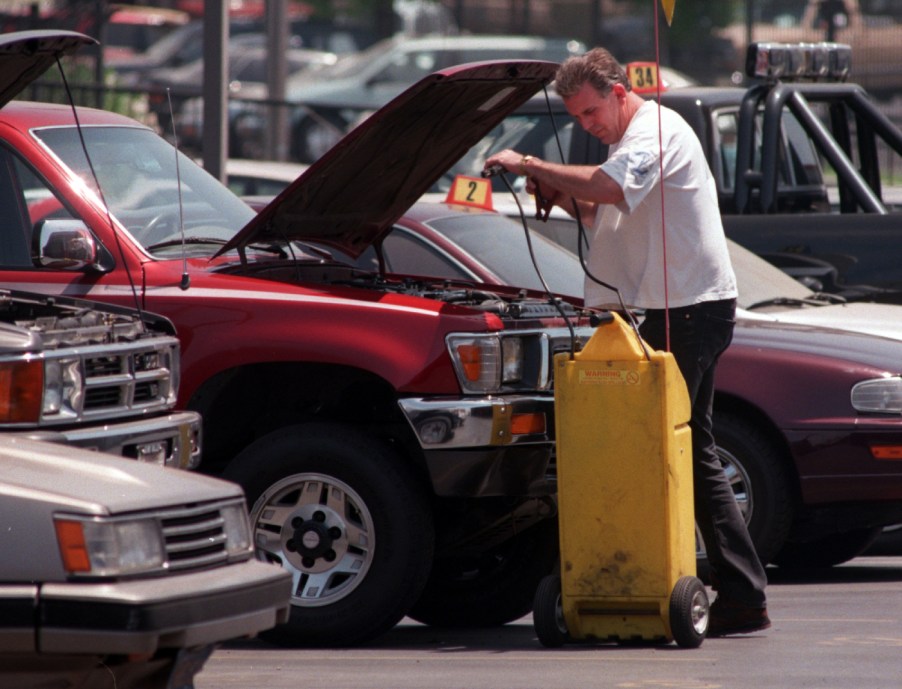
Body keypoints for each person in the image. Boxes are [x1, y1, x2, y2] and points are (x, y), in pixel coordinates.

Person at [484, 47, 770, 637]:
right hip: (679, 306)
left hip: (685, 309)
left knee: (672, 448)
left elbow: (613, 189)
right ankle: (734, 590)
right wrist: (564, 193)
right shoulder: (630, 139)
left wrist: (532, 164)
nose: (587, 126)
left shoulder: (654, 129)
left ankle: (728, 589)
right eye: (578, 120)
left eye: (591, 113)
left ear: (619, 92)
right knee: (692, 448)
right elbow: (608, 207)